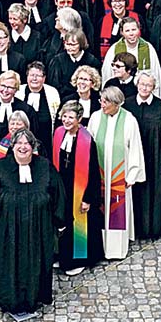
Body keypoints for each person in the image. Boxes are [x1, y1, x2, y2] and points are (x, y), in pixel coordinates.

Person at [0, 128, 66, 314]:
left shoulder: (45, 166)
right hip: (7, 229)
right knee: (8, 262)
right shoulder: (0, 168)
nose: (23, 147)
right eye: (19, 143)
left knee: (36, 262)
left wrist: (60, 221)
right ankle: (8, 299)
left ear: (33, 147)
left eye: (27, 143)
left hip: (38, 228)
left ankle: (34, 298)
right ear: (13, 146)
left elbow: (58, 194)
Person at [86, 86, 145, 259]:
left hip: (119, 177)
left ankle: (116, 250)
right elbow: (88, 145)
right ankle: (100, 247)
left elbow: (135, 148)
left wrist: (132, 175)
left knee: (117, 211)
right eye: (101, 101)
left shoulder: (129, 120)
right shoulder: (96, 118)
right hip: (99, 176)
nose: (102, 105)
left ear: (116, 104)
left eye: (105, 102)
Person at [125, 72, 161, 240]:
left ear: (154, 88)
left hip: (155, 156)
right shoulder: (127, 105)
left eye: (149, 85)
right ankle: (136, 229)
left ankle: (154, 228)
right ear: (137, 84)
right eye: (142, 84)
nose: (145, 88)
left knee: (154, 191)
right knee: (135, 191)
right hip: (133, 157)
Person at [49, 101, 103, 275]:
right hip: (63, 189)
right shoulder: (58, 134)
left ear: (79, 119)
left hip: (80, 190)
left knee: (79, 225)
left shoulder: (87, 141)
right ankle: (63, 256)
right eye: (64, 116)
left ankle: (79, 259)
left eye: (71, 117)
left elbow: (94, 172)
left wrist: (88, 198)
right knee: (62, 222)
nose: (66, 120)